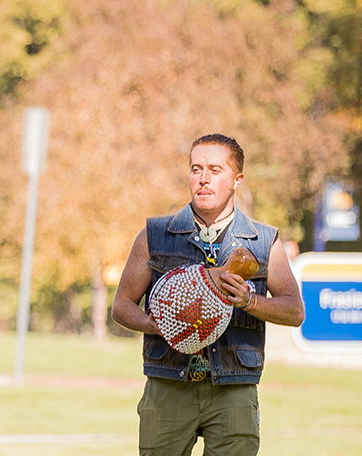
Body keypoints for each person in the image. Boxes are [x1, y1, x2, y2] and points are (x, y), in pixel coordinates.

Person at [111, 134, 304, 456]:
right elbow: (121, 305)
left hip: (234, 388)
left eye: (215, 170)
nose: (203, 178)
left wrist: (249, 301)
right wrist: (160, 325)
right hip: (168, 385)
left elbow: (294, 312)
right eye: (196, 168)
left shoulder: (264, 241)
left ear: (237, 179)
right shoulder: (155, 234)